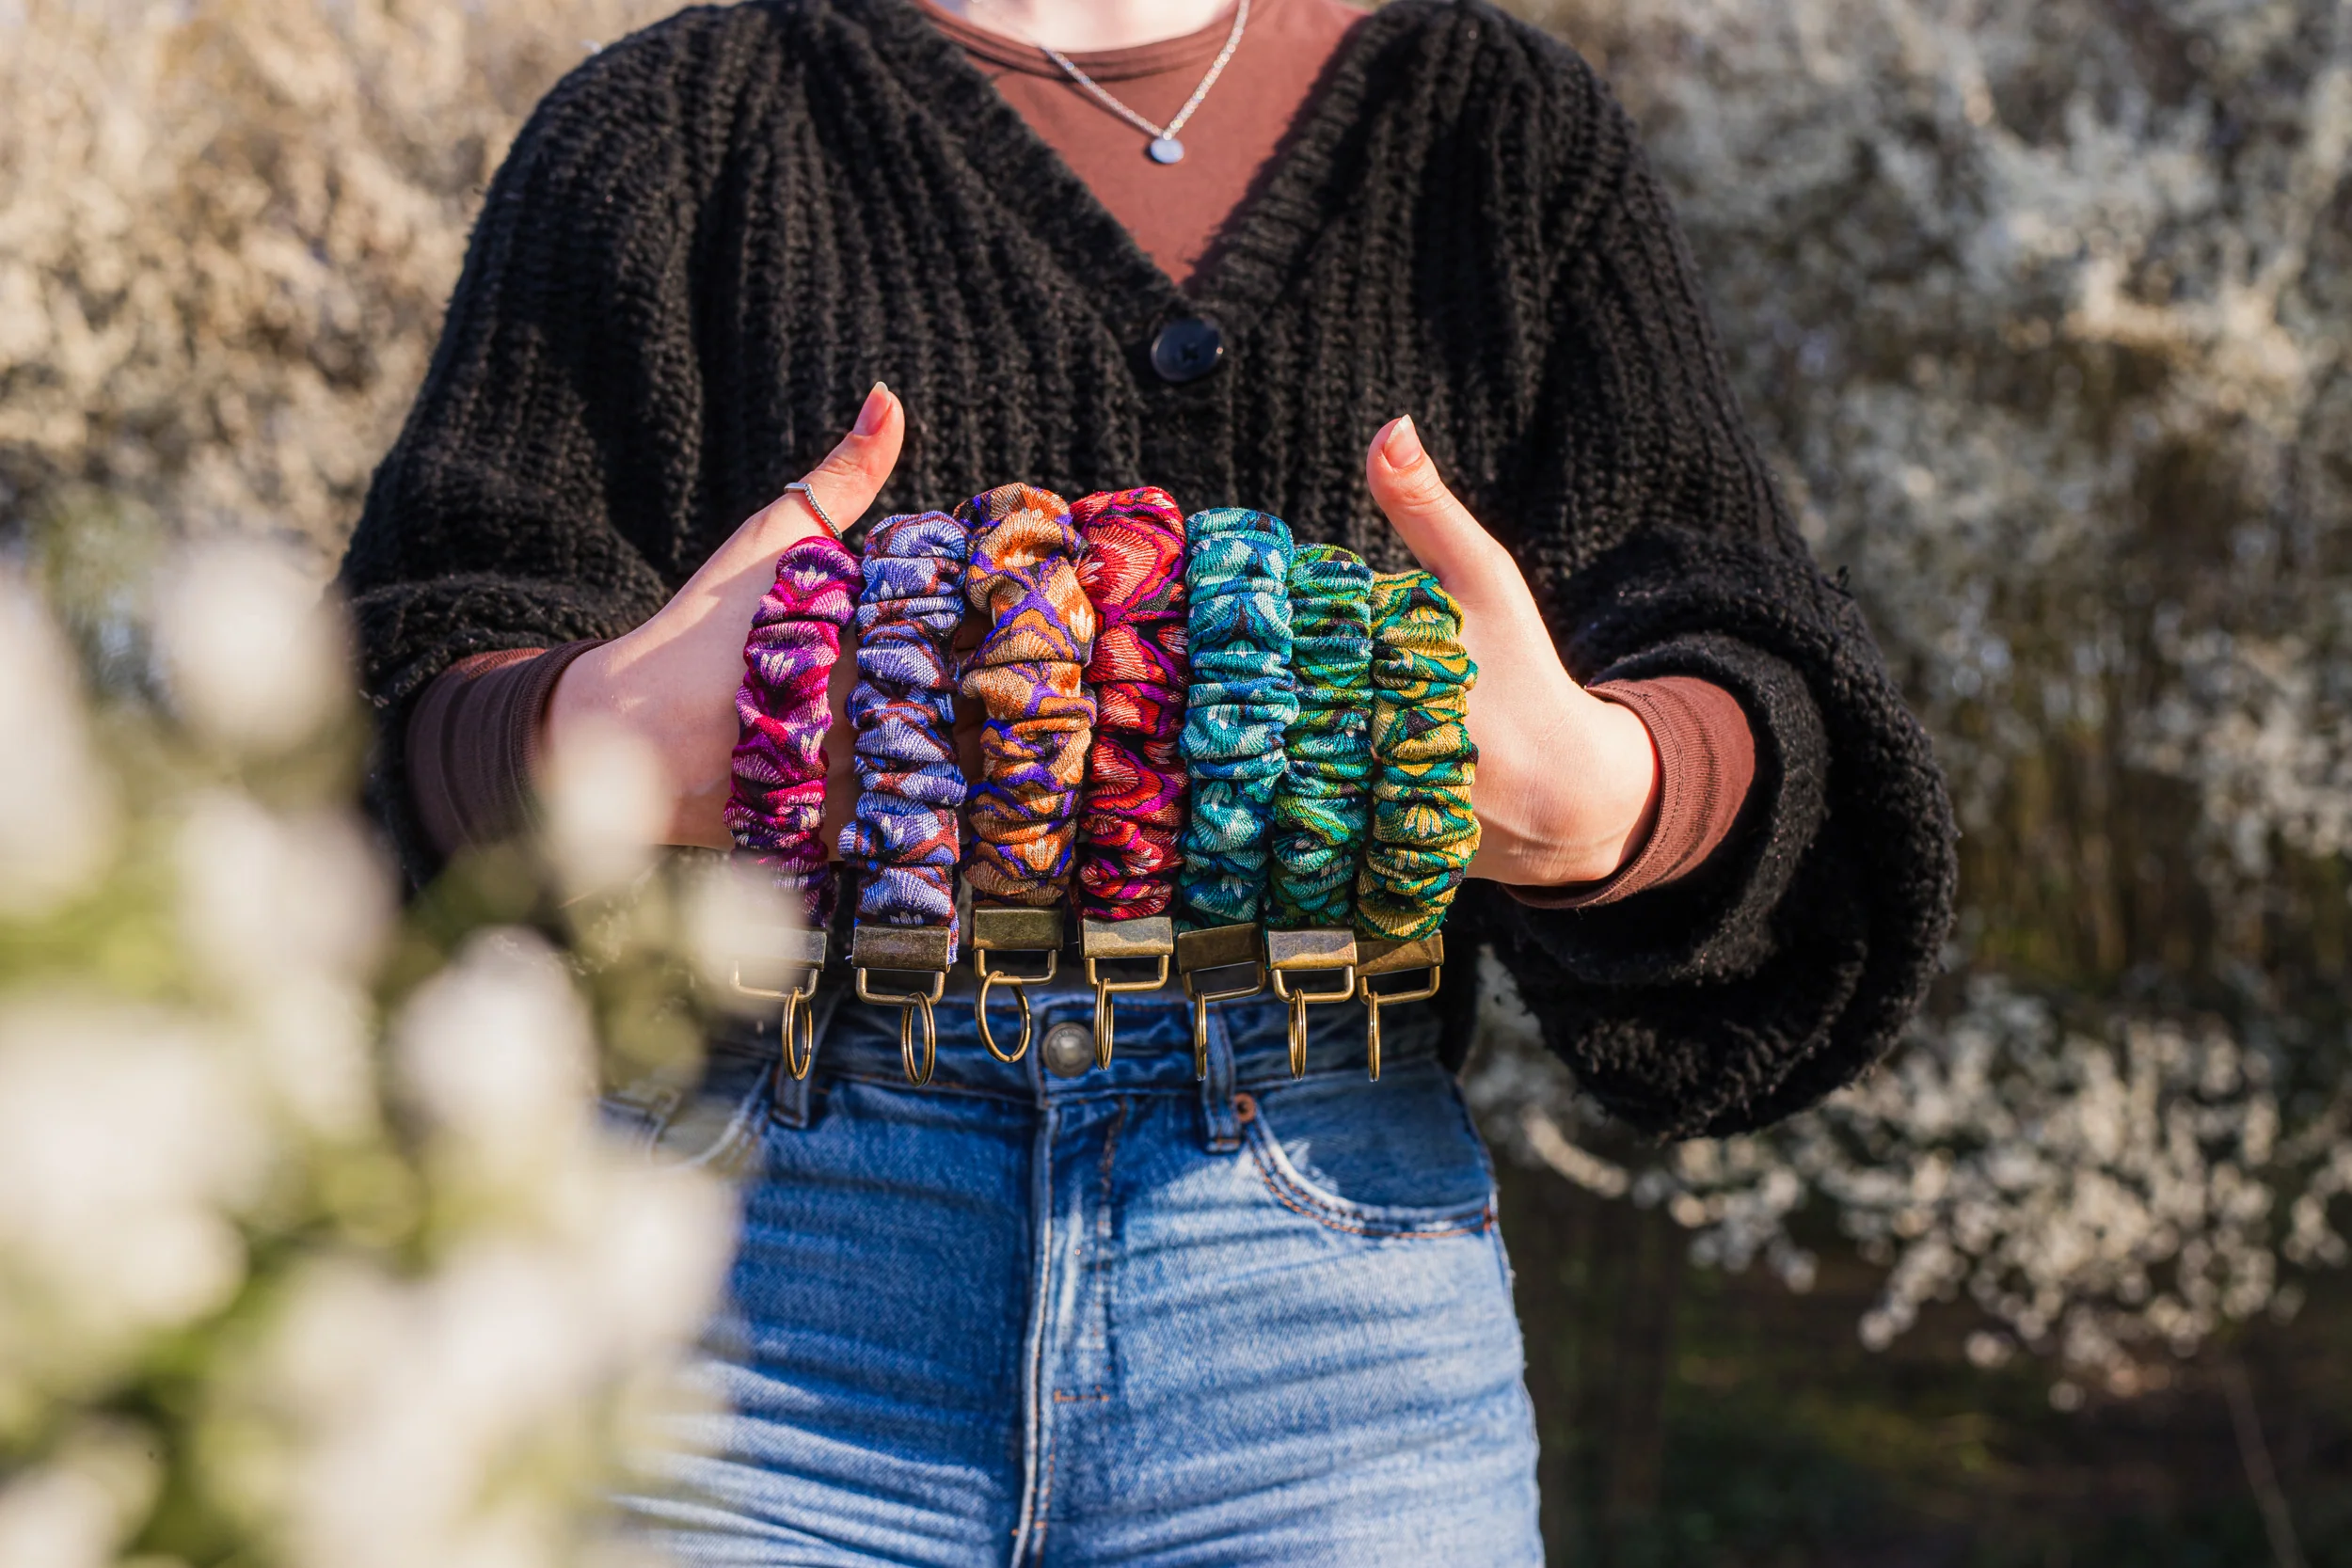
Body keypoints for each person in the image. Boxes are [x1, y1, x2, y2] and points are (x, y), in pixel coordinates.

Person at [341, 0, 1957, 1559]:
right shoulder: (670, 130)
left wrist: (1619, 797)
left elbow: (1772, 702)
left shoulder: (1501, 135)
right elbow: (372, 711)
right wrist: (598, 740)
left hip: (1326, 1324)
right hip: (743, 1300)